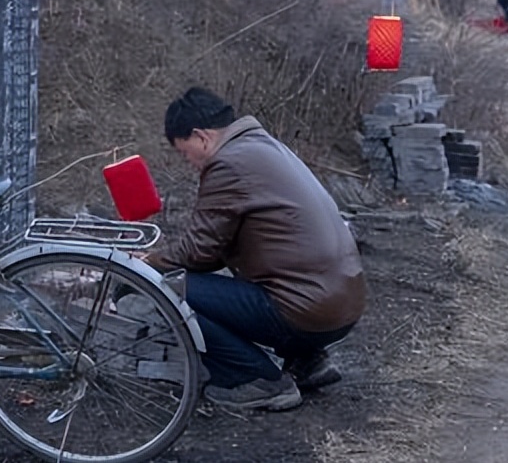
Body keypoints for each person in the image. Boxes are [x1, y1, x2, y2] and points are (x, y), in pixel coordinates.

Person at [143, 88, 366, 411]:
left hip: (308, 311)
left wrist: (146, 263)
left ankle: (256, 380)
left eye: (184, 152)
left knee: (165, 289)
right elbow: (218, 249)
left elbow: (197, 253)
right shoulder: (264, 147)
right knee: (237, 285)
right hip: (341, 306)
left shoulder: (228, 163)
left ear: (201, 136)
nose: (189, 163)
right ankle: (308, 361)